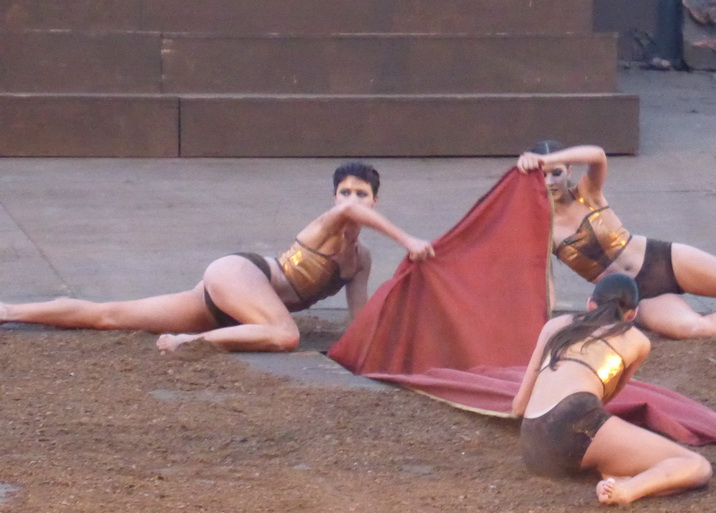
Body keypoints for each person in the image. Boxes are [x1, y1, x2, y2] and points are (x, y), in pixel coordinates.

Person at [0, 162, 435, 353]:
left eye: (362, 193)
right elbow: (346, 214)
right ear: (335, 196)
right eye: (346, 191)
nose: (352, 198)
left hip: (233, 309)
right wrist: (408, 238)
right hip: (240, 275)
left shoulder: (361, 259)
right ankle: (189, 344)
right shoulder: (328, 222)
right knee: (285, 336)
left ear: (375, 200)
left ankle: (9, 310)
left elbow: (356, 322)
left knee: (110, 316)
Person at [516, 142, 716, 338]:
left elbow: (598, 155)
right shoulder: (544, 228)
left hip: (663, 260)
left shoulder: (587, 192)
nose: (550, 181)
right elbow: (544, 279)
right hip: (634, 294)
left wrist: (546, 159)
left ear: (568, 171)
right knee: (694, 330)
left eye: (555, 172)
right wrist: (544, 324)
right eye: (542, 176)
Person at [513, 273, 713, 505]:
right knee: (696, 466)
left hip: (534, 447)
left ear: (590, 304)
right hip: (577, 419)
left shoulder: (554, 326)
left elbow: (519, 406)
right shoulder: (637, 340)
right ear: (633, 314)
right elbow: (606, 397)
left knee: (609, 448)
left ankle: (615, 471)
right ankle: (627, 489)